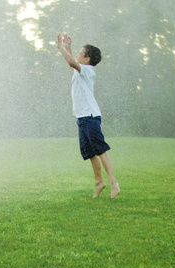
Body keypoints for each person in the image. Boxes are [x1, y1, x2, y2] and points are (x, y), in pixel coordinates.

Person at [56, 34, 120, 199]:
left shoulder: (88, 71)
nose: (77, 54)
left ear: (87, 59)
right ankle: (99, 182)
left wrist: (61, 48)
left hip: (90, 116)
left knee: (100, 149)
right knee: (90, 152)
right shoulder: (81, 70)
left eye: (79, 53)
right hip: (82, 118)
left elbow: (71, 62)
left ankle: (113, 181)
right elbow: (73, 63)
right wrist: (69, 47)